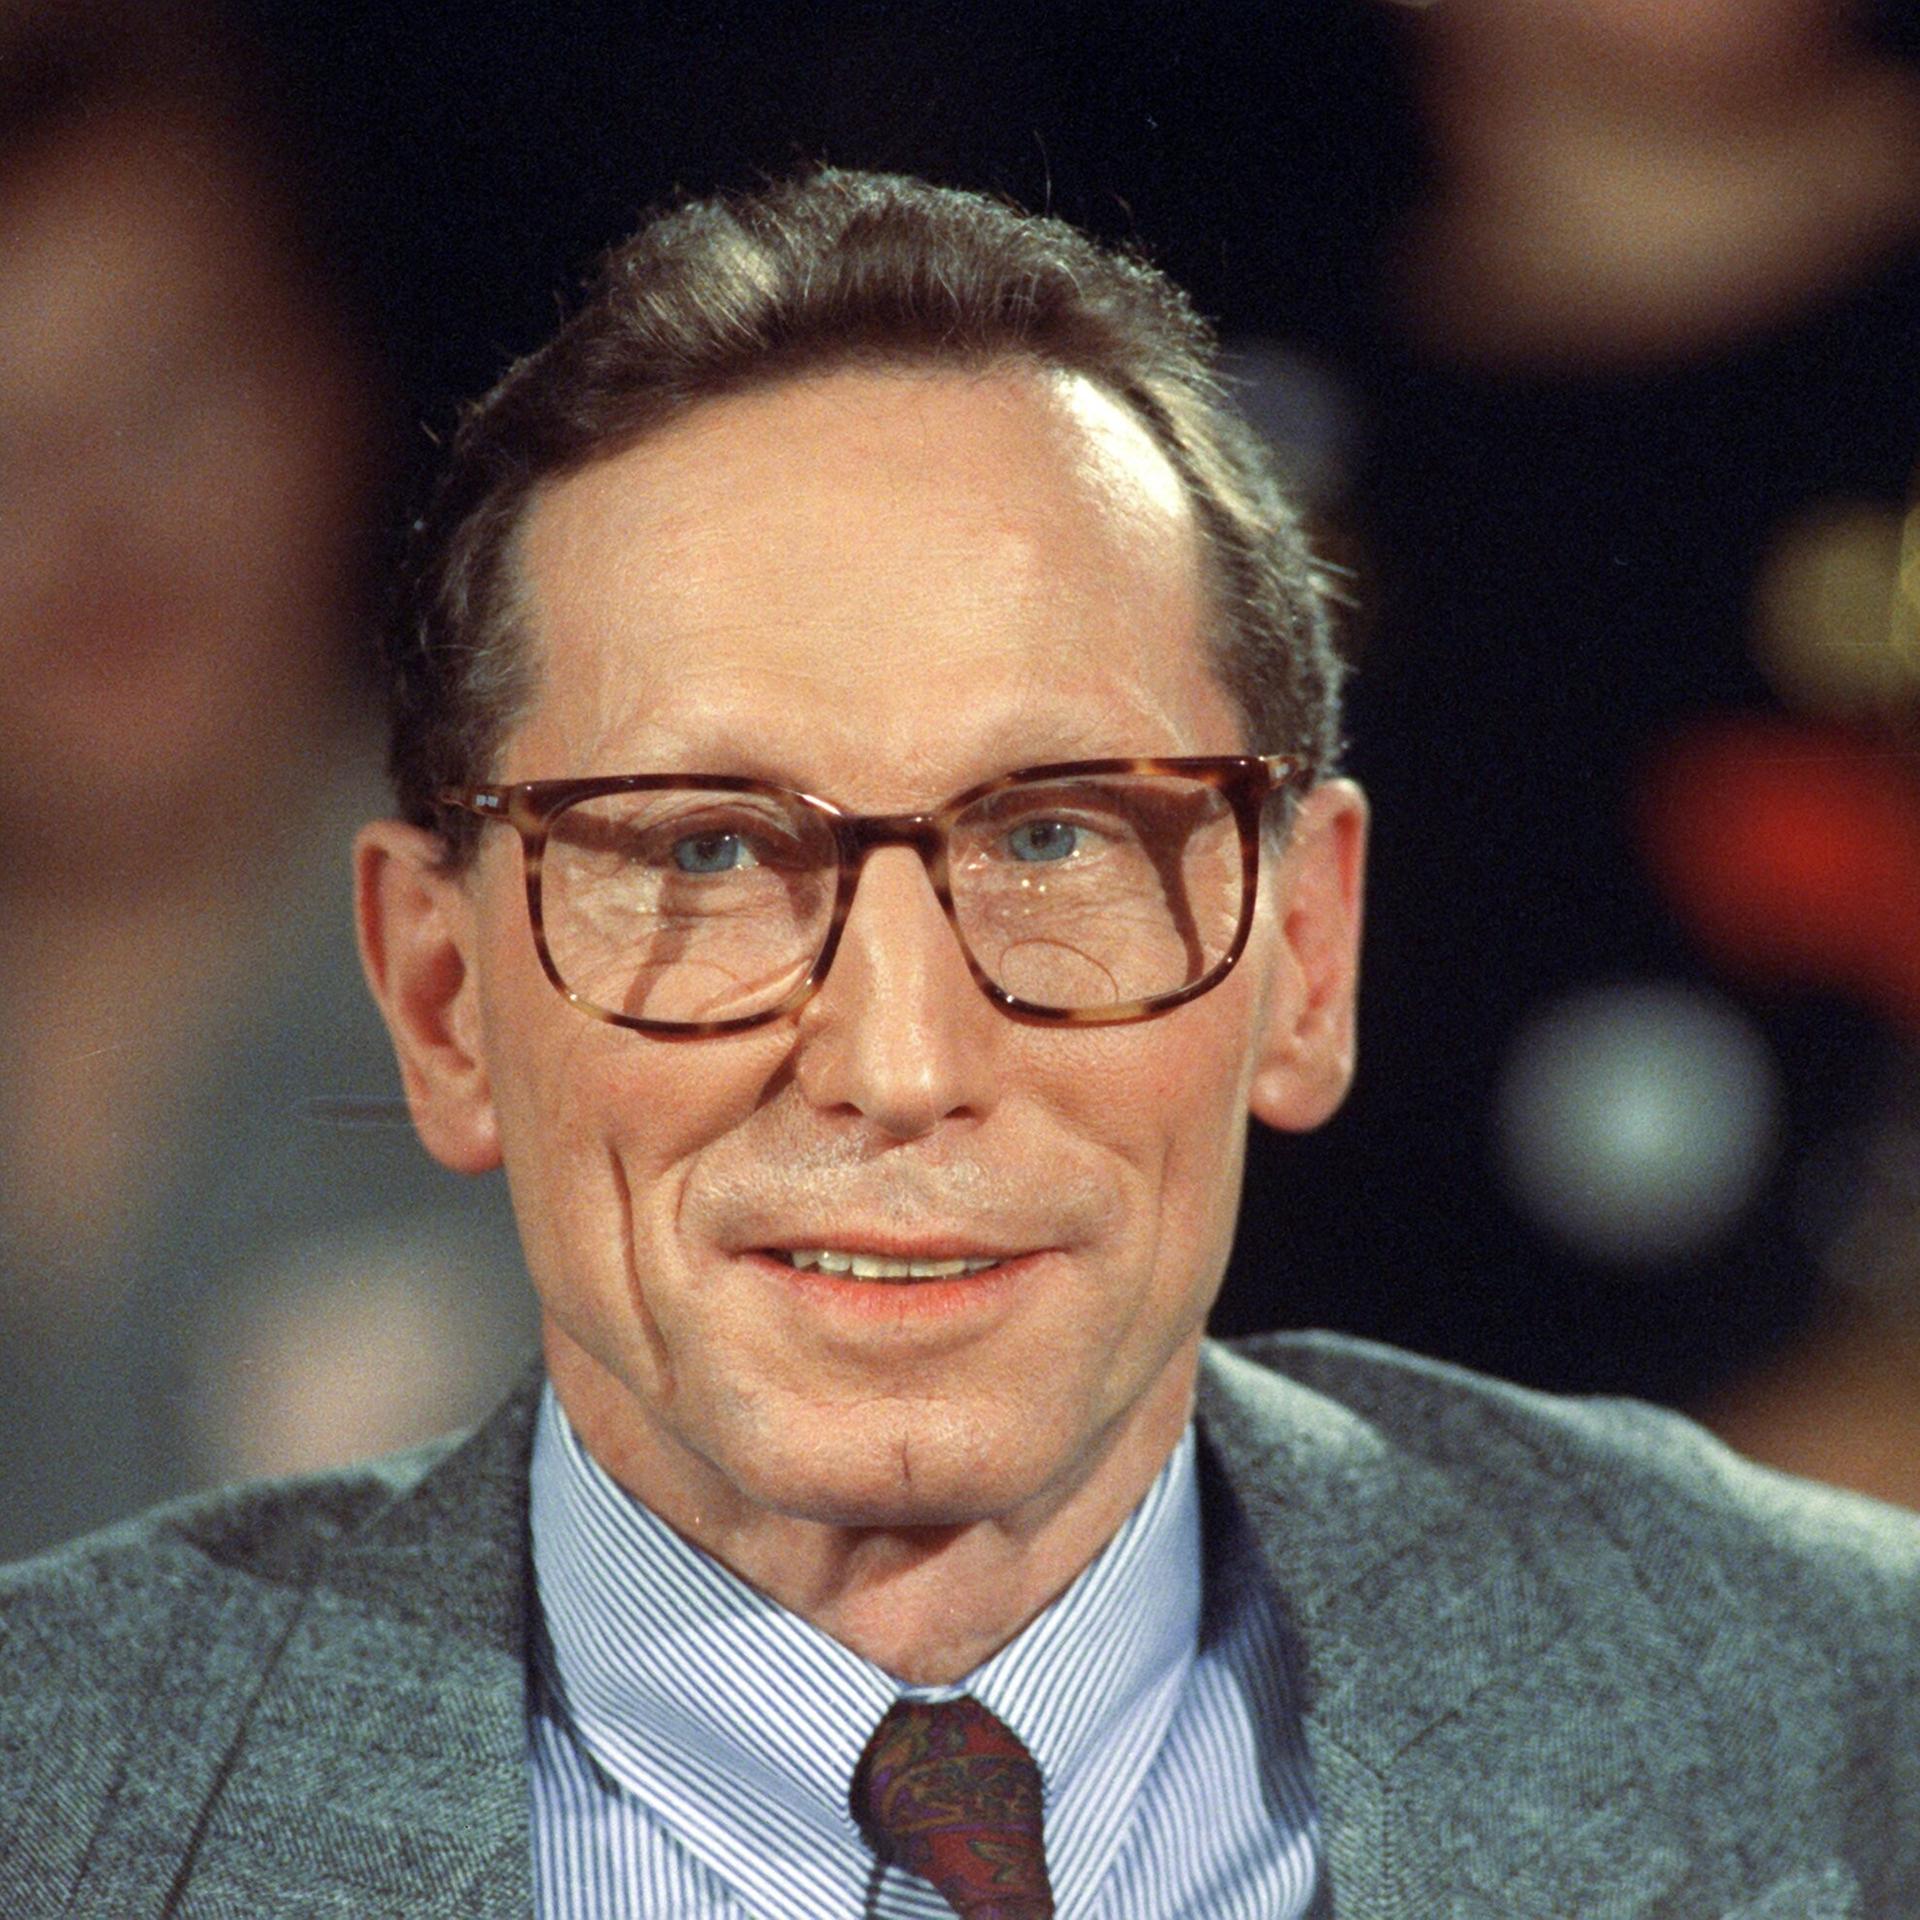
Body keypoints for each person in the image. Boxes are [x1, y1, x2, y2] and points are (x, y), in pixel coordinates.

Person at [3, 169, 1917, 1918]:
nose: (902, 1059)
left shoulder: (1848, 1729)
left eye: (1056, 836)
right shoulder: (54, 1804)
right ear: (440, 1003)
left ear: (1307, 953)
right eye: (711, 850)